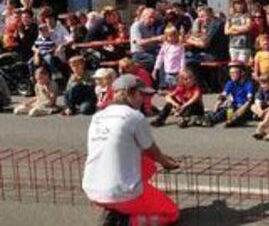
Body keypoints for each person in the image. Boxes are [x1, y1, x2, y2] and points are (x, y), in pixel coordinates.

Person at [82, 74, 180, 226]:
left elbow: (124, 146)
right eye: (140, 94)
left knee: (148, 164)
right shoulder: (134, 117)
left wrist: (160, 157)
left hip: (91, 188)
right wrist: (167, 163)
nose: (143, 99)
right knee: (171, 213)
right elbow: (151, 149)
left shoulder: (98, 116)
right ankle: (125, 221)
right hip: (121, 192)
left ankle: (116, 208)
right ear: (128, 93)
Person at [204, 62, 254, 127]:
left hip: (245, 108)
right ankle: (210, 118)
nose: (231, 75)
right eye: (230, 73)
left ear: (242, 73)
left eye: (234, 73)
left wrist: (238, 113)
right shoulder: (230, 83)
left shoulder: (248, 84)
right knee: (222, 113)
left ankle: (234, 121)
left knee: (235, 117)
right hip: (234, 106)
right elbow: (223, 96)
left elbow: (249, 101)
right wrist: (216, 107)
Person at [225, 0, 253, 64]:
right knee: (234, 66)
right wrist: (241, 30)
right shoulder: (230, 17)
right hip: (233, 46)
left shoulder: (247, 15)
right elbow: (226, 31)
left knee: (241, 66)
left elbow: (248, 27)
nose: (239, 6)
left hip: (244, 46)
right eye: (237, 4)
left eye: (241, 3)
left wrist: (234, 27)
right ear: (233, 5)